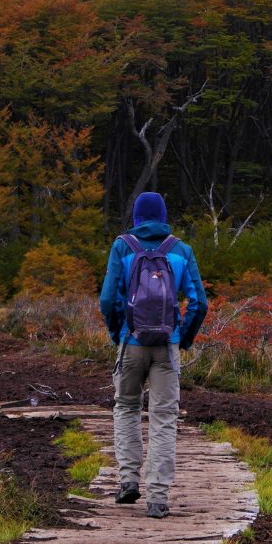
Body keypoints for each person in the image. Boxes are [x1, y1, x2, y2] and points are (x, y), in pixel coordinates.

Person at [99, 191, 208, 519]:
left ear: (136, 218)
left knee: (127, 408)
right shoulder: (181, 250)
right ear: (163, 216)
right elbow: (199, 302)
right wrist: (183, 339)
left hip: (130, 343)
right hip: (166, 346)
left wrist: (118, 333)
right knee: (163, 417)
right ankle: (158, 497)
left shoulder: (123, 247)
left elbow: (108, 299)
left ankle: (128, 480)